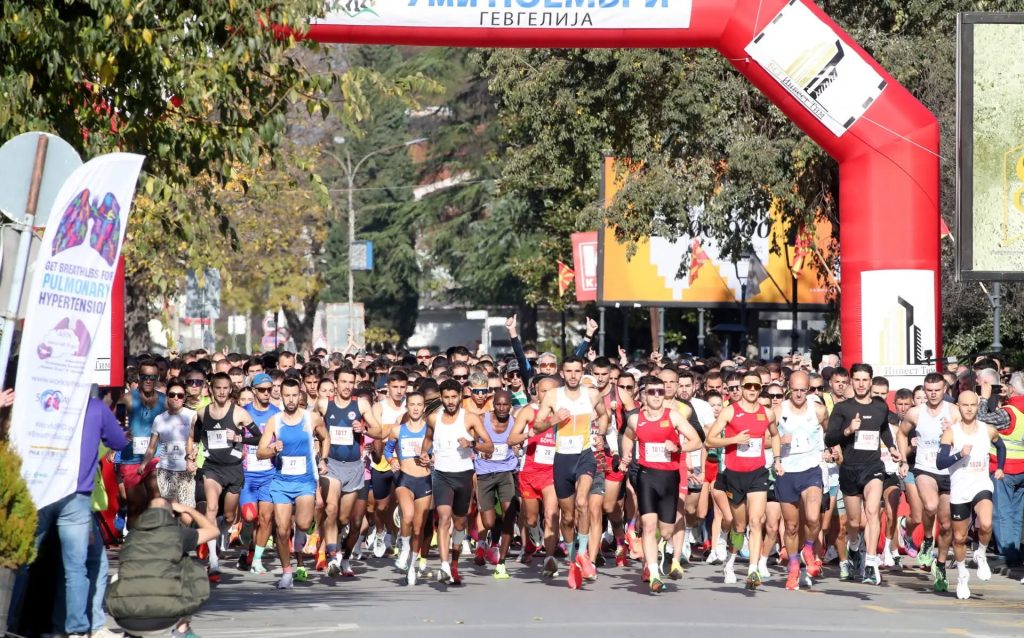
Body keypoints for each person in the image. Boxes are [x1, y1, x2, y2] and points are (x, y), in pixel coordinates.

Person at [619, 376, 703, 593]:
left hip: (670, 478)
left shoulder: (673, 416)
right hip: (647, 476)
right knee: (648, 525)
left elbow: (696, 440)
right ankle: (654, 573)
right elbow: (628, 436)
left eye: (660, 391)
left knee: (665, 530)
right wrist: (626, 454)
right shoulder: (636, 419)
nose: (656, 395)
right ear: (643, 395)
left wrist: (677, 448)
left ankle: (660, 548)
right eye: (651, 392)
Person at [533, 356, 610, 589]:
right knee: (566, 516)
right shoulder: (553, 396)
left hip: (584, 456)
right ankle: (572, 558)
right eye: (569, 371)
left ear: (582, 372)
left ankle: (584, 554)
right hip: (562, 459)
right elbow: (537, 425)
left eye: (578, 371)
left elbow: (604, 414)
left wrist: (601, 434)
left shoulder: (592, 394)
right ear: (563, 373)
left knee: (583, 501)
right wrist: (553, 419)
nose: (574, 375)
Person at [825, 363, 901, 586]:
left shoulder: (879, 406)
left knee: (872, 511)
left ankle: (870, 562)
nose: (860, 384)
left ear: (871, 381)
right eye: (856, 380)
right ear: (851, 381)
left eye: (864, 380)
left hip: (873, 467)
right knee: (854, 521)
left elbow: (884, 428)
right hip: (849, 469)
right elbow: (829, 439)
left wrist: (892, 447)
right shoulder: (843, 408)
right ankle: (855, 545)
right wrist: (848, 430)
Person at [705, 372, 780, 590]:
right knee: (739, 525)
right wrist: (734, 440)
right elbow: (710, 439)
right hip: (734, 475)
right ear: (742, 387)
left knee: (756, 521)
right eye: (748, 386)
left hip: (758, 473)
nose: (752, 390)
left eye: (756, 387)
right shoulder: (731, 411)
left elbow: (774, 435)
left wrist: (776, 459)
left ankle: (753, 569)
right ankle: (729, 562)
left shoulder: (767, 413)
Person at [106, 498, 218, 638]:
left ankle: (131, 633)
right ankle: (182, 630)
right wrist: (187, 509)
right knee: (193, 570)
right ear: (171, 515)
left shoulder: (132, 537)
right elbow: (213, 531)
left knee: (121, 576)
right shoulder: (178, 535)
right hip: (164, 620)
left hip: (126, 620)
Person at [419, 379, 494, 585]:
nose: (450, 401)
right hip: (442, 475)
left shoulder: (470, 418)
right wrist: (424, 454)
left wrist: (471, 443)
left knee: (460, 523)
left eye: (454, 397)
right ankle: (443, 566)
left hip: (463, 475)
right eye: (446, 397)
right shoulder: (434, 418)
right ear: (441, 398)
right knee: (443, 518)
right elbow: (428, 439)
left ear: (461, 396)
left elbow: (489, 446)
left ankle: (454, 563)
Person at [256, 378, 329, 589]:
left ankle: (304, 531)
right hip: (281, 482)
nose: (290, 399)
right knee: (281, 530)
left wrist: (323, 459)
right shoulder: (275, 420)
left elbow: (325, 438)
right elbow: (261, 452)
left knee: (304, 524)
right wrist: (273, 449)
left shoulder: (312, 418)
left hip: (305, 481)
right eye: (286, 395)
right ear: (281, 395)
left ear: (300, 395)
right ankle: (287, 572)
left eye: (294, 395)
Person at [937, 391, 1005, 600]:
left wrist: (1000, 467)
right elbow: (940, 463)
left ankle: (981, 553)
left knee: (985, 524)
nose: (968, 409)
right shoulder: (951, 433)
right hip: (960, 489)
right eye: (964, 405)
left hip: (981, 484)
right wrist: (959, 454)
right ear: (958, 406)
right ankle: (962, 575)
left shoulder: (988, 430)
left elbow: (1000, 446)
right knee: (958, 538)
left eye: (972, 405)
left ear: (977, 406)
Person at [321, 365, 382, 577]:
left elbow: (379, 430)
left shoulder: (361, 404)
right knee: (330, 508)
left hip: (355, 467)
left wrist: (363, 429)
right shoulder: (324, 404)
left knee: (346, 519)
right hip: (332, 465)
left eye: (350, 382)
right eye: (343, 382)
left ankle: (344, 556)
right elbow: (309, 424)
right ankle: (331, 556)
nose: (347, 386)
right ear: (335, 383)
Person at [897, 372, 956, 591]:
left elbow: (966, 434)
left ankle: (940, 564)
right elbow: (901, 435)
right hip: (924, 468)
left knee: (947, 523)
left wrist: (952, 432)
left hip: (948, 471)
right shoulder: (915, 412)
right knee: (929, 505)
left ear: (944, 391)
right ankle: (928, 539)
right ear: (924, 390)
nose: (932, 395)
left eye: (937, 390)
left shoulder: (954, 412)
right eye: (928, 391)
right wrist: (903, 459)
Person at [192, 372, 253, 580]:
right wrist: (192, 451)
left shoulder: (240, 414)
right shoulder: (202, 413)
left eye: (226, 388)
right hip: (212, 468)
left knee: (228, 517)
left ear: (230, 390)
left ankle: (219, 533)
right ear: (211, 389)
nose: (222, 392)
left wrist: (238, 437)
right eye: (218, 388)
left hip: (234, 469)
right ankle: (213, 561)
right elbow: (196, 434)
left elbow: (260, 438)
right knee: (211, 507)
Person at [773, 371, 827, 590]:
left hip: (811, 470)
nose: (798, 394)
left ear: (808, 389)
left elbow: (828, 432)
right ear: (789, 388)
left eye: (803, 390)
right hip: (787, 472)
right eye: (794, 390)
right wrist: (778, 446)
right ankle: (794, 566)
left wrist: (831, 450)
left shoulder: (819, 410)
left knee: (814, 518)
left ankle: (808, 547)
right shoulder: (778, 411)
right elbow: (766, 438)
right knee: (792, 526)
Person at [386, 391, 433, 585]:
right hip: (405, 479)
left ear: (424, 408)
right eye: (412, 404)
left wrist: (430, 458)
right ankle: (404, 547)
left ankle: (412, 565)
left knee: (418, 527)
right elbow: (388, 450)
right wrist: (393, 460)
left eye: (419, 404)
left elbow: (437, 452)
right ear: (407, 407)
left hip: (424, 480)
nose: (415, 408)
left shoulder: (430, 431)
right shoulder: (398, 430)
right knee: (407, 515)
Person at [472, 389, 519, 579]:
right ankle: (494, 529)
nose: (501, 408)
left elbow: (519, 441)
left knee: (510, 513)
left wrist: (517, 447)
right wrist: (478, 446)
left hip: (506, 472)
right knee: (489, 521)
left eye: (505, 404)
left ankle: (502, 562)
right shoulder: (482, 419)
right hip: (484, 473)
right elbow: (472, 438)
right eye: (498, 404)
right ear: (493, 405)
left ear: (510, 406)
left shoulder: (515, 423)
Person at [238, 373, 280, 575]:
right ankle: (247, 540)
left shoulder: (276, 413)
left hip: (269, 473)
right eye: (262, 390)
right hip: (247, 473)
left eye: (269, 390)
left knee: (266, 518)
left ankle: (256, 559)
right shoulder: (243, 412)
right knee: (249, 516)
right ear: (254, 391)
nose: (266, 393)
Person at [118, 359, 166, 529]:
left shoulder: (164, 401)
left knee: (156, 497)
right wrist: (124, 432)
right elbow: (117, 424)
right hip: (132, 457)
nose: (148, 380)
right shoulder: (127, 399)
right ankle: (132, 541)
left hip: (156, 456)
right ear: (138, 377)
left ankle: (154, 538)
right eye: (144, 376)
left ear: (157, 378)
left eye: (152, 377)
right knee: (135, 505)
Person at [140, 380, 198, 521]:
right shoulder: (159, 419)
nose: (176, 398)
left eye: (180, 395)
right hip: (166, 471)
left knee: (187, 517)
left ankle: (185, 539)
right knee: (171, 510)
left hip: (186, 470)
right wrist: (144, 464)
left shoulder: (193, 416)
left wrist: (191, 459)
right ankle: (174, 540)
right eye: (172, 395)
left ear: (184, 397)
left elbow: (197, 442)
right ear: (167, 397)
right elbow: (152, 446)